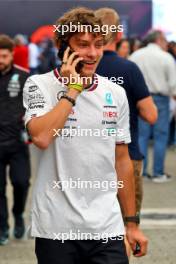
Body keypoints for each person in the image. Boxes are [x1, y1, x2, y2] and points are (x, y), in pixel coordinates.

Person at [23, 7, 148, 264]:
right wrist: (74, 88)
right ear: (62, 47)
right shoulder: (39, 85)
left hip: (107, 228)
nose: (92, 54)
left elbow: (121, 160)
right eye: (82, 45)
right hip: (56, 228)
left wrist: (132, 223)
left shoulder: (115, 92)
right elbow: (42, 138)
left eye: (98, 45)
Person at [95, 7, 157, 257]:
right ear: (119, 34)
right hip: (127, 156)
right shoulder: (128, 69)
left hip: (89, 158)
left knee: (92, 226)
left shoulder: (81, 67)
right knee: (125, 226)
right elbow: (151, 115)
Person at [130, 30, 176, 183]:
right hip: (161, 98)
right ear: (159, 40)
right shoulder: (166, 57)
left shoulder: (136, 55)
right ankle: (158, 173)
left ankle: (141, 172)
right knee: (161, 136)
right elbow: (173, 84)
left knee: (141, 136)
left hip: (139, 98)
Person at [0, 35, 31, 245]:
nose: (0, 59)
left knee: (21, 183)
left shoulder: (24, 77)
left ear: (12, 55)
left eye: (3, 55)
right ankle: (2, 227)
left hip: (18, 142)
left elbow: (35, 106)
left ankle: (18, 214)